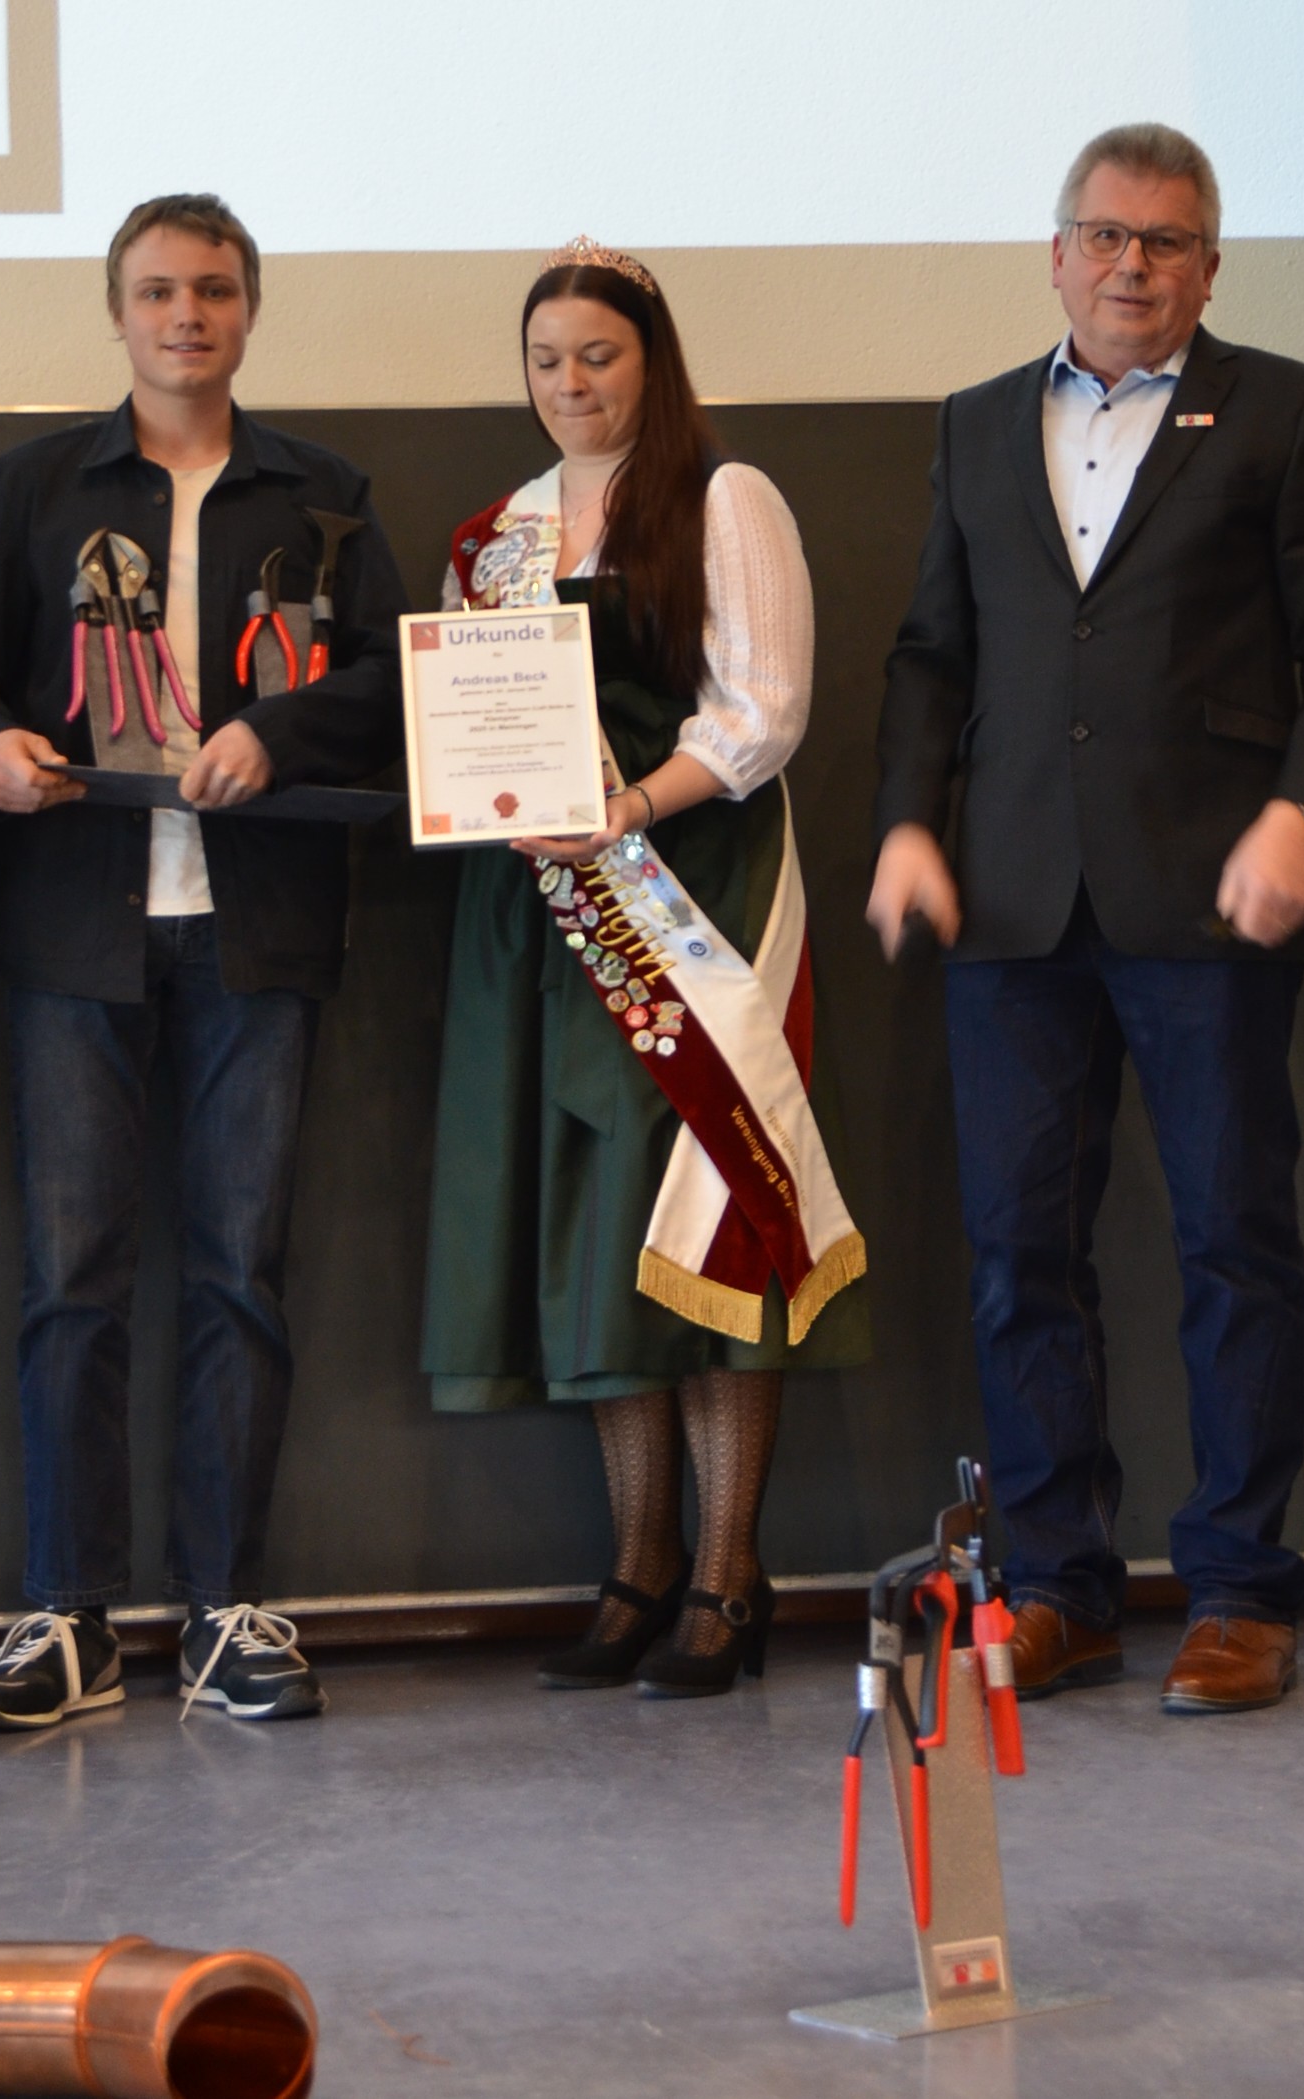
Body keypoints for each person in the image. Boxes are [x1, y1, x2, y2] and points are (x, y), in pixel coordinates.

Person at [868, 124, 1304, 1715]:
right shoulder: (975, 423)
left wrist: (1300, 816)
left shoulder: (1287, 413)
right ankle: (1059, 1590)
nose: (1131, 265)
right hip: (1012, 902)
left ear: (1210, 268)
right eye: (1104, 236)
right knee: (1018, 1255)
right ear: (1057, 255)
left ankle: (1240, 1592)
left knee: (1235, 1243)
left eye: (1165, 242)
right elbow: (933, 657)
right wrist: (909, 823)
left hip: (1212, 895)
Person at [0, 193, 407, 1727]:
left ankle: (222, 1611)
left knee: (240, 1273)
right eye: (155, 291)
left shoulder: (322, 494)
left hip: (259, 926)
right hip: (79, 925)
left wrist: (279, 729)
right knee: (71, 1276)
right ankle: (68, 1614)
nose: (185, 315)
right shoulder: (36, 485)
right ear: (116, 310)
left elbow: (397, 675)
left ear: (248, 309)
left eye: (212, 289)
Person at [420, 238, 869, 1699]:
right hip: (546, 915)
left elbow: (765, 711)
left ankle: (730, 1573)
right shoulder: (496, 534)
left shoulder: (724, 497)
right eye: (546, 359)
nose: (571, 383)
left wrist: (632, 806)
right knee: (594, 1230)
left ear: (652, 360)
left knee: (705, 1216)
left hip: (693, 895)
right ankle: (640, 1566)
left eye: (598, 355)